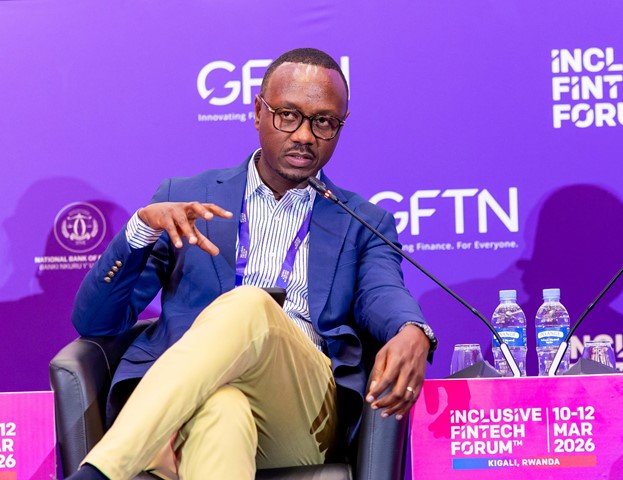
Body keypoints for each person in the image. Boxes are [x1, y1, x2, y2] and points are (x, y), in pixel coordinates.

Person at [67, 47, 437, 480]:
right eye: (288, 115)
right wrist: (140, 231)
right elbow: (94, 322)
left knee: (250, 304)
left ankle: (99, 473)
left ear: (340, 126)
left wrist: (414, 329)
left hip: (300, 413)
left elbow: (384, 292)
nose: (305, 135)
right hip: (193, 406)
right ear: (259, 112)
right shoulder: (185, 198)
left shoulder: (362, 222)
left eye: (324, 122)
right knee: (222, 410)